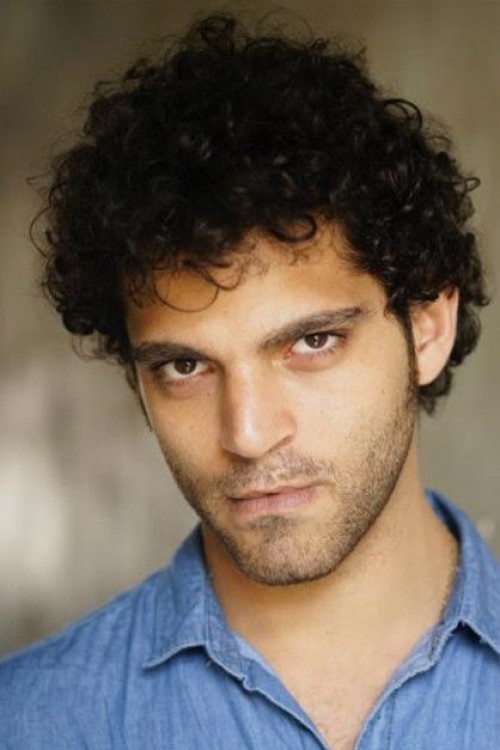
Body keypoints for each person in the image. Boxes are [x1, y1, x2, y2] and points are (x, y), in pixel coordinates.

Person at [0, 12, 498, 750]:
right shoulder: (27, 723)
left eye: (312, 342)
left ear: (427, 330)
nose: (249, 433)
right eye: (185, 366)